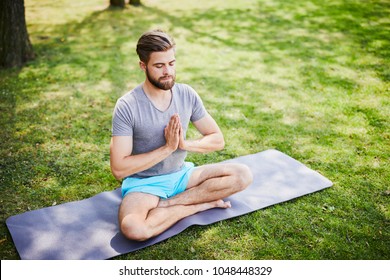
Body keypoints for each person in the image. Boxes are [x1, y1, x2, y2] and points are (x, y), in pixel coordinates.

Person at [110, 29, 253, 241]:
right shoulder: (127, 106)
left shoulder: (186, 94)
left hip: (182, 176)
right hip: (144, 184)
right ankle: (198, 205)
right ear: (143, 66)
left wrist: (184, 144)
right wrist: (167, 148)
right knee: (134, 228)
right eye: (159, 66)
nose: (167, 71)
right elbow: (119, 168)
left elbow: (217, 138)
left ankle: (169, 205)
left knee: (242, 174)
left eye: (171, 63)